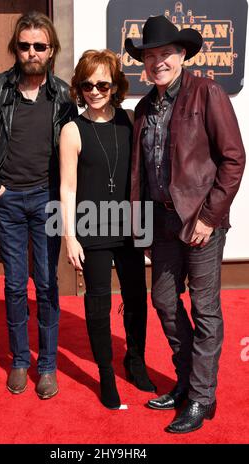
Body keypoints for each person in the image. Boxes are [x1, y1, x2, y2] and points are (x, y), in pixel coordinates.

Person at [125, 15, 245, 432]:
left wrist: (210, 218)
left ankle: (201, 397)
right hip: (159, 223)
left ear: (181, 56)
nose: (157, 61)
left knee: (206, 309)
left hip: (201, 222)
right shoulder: (143, 107)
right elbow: (140, 173)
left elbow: (234, 159)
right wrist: (141, 226)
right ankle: (188, 380)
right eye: (150, 55)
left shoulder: (207, 92)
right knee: (163, 300)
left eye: (165, 54)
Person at [0, 11, 77, 399]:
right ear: (15, 48)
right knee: (15, 285)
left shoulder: (64, 94)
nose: (32, 52)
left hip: (48, 199)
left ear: (51, 50)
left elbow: (71, 151)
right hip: (9, 201)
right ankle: (19, 360)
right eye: (25, 45)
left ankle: (46, 365)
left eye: (40, 46)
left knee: (47, 284)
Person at [59, 49, 156, 410]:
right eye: (87, 85)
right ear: (79, 88)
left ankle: (135, 361)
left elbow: (145, 178)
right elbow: (67, 188)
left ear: (115, 85)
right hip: (91, 228)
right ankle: (105, 374)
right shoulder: (72, 130)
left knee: (136, 299)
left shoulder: (131, 120)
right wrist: (69, 235)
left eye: (102, 83)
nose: (95, 91)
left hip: (131, 226)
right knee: (98, 305)